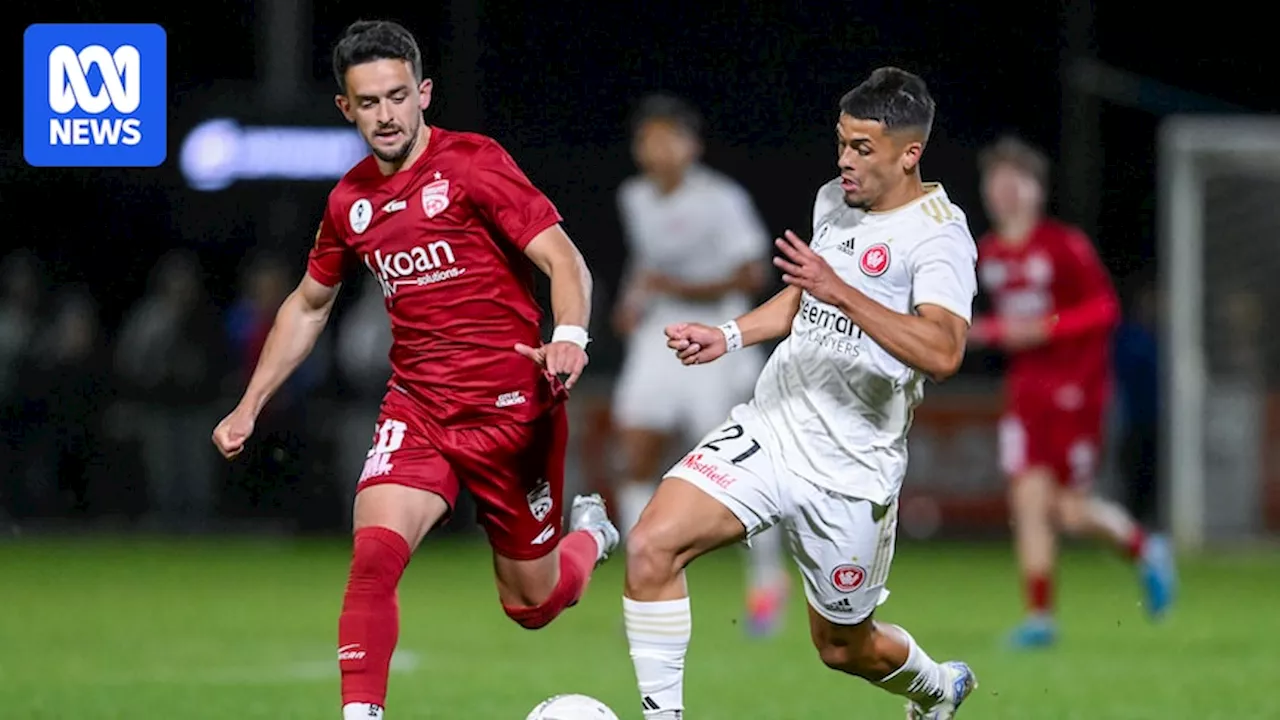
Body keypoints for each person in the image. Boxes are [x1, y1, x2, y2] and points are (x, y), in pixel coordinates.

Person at [210, 20, 620, 720]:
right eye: (368, 102)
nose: (386, 114)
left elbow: (562, 258)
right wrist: (249, 404)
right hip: (419, 409)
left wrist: (571, 337)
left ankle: (590, 536)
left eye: (398, 96)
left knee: (532, 603)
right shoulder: (349, 203)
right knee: (373, 555)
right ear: (346, 107)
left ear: (423, 92)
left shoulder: (472, 164)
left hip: (511, 410)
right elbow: (309, 306)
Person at [622, 67, 979, 720]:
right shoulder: (835, 200)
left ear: (909, 153)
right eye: (841, 143)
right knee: (651, 547)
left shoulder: (940, 237)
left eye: (862, 149)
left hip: (852, 466)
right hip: (774, 423)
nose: (845, 161)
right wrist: (729, 335)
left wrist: (841, 288)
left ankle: (935, 687)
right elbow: (804, 296)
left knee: (843, 648)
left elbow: (944, 350)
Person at [969, 136, 1176, 649]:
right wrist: (978, 332)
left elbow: (1105, 310)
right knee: (1028, 499)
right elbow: (998, 326)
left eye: (1015, 180)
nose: (1004, 191)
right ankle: (1040, 617)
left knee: (1069, 511)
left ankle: (1143, 546)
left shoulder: (1064, 245)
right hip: (1026, 393)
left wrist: (1046, 326)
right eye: (996, 181)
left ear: (1037, 190)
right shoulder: (989, 253)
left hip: (1077, 390)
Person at [611, 93, 788, 636]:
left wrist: (679, 286)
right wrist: (632, 301)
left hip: (716, 332)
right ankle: (645, 575)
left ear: (692, 145)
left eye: (669, 136)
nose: (657, 148)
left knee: (735, 470)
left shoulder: (720, 198)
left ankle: (766, 582)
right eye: (649, 137)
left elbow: (753, 274)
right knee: (635, 453)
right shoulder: (634, 196)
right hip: (660, 330)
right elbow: (647, 264)